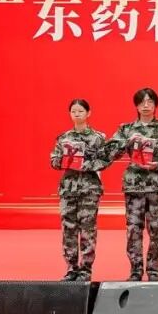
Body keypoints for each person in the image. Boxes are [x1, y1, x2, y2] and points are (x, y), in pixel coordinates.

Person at [103, 88, 158, 281]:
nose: (146, 105)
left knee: (156, 230)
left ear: (156, 105)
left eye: (150, 102)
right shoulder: (126, 129)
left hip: (156, 185)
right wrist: (126, 143)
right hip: (134, 186)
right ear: (136, 106)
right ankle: (136, 270)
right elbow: (109, 153)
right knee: (133, 229)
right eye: (142, 102)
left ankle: (153, 270)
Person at [49, 98, 108, 281]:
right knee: (69, 229)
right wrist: (64, 161)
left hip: (89, 189)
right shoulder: (64, 138)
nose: (77, 114)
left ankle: (85, 269)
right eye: (73, 111)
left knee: (88, 230)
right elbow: (53, 160)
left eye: (80, 111)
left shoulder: (98, 138)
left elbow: (105, 160)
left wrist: (85, 164)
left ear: (88, 113)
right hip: (68, 189)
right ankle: (71, 268)